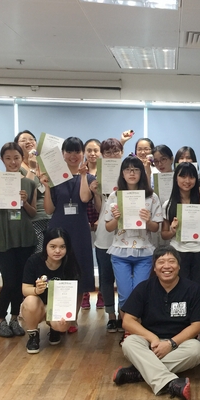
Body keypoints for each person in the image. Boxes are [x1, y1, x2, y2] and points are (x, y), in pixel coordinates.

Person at [113, 246, 200, 400]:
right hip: (150, 343)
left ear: (179, 266)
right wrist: (153, 338)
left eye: (172, 261)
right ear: (155, 268)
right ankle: (171, 382)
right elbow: (127, 321)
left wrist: (170, 343)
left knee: (197, 350)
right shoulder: (144, 288)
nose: (167, 266)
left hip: (180, 343)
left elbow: (197, 326)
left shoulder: (193, 289)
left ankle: (139, 372)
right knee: (129, 343)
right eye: (161, 262)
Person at [0, 142, 37, 338]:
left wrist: (25, 202)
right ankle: (0, 320)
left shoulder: (29, 183)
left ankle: (14, 318)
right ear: (2, 159)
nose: (13, 162)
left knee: (20, 282)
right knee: (9, 281)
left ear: (22, 159)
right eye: (8, 158)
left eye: (16, 158)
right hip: (2, 236)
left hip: (24, 237)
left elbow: (33, 213)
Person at [41, 137, 99, 332]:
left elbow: (84, 198)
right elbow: (49, 209)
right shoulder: (55, 177)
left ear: (82, 154)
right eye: (69, 151)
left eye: (77, 152)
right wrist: (46, 186)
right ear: (62, 154)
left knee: (78, 273)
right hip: (58, 229)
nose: (73, 155)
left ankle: (72, 319)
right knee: (57, 272)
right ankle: (56, 317)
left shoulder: (89, 178)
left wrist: (82, 176)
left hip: (80, 231)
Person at [105, 156, 163, 323]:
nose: (132, 173)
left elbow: (155, 228)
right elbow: (109, 227)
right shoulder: (115, 196)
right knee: (124, 294)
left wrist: (148, 220)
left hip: (144, 252)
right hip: (120, 252)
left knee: (140, 293)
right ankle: (128, 328)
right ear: (122, 173)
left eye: (136, 169)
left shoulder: (151, 197)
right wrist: (117, 218)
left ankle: (137, 328)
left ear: (141, 173)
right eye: (128, 170)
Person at [21, 228, 82, 353]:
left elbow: (73, 293)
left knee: (62, 326)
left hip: (57, 307)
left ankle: (55, 330)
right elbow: (25, 290)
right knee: (30, 301)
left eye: (62, 247)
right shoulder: (34, 261)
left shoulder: (70, 263)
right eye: (53, 246)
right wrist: (36, 290)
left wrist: (68, 316)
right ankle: (33, 335)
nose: (58, 251)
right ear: (45, 246)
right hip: (38, 306)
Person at [160, 162, 200, 309]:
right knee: (179, 290)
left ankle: (196, 321)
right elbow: (164, 235)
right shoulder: (168, 204)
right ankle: (180, 321)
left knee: (199, 290)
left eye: (191, 177)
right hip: (178, 251)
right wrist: (172, 230)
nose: (187, 181)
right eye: (183, 176)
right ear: (176, 178)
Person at [94, 138, 123, 331]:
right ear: (102, 155)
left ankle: (123, 314)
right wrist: (96, 193)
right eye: (108, 152)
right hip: (104, 235)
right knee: (106, 277)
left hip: (125, 235)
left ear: (122, 153)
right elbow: (99, 209)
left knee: (123, 278)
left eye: (115, 151)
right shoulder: (99, 175)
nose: (112, 155)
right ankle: (111, 315)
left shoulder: (129, 174)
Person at [16, 130, 51, 253]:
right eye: (23, 140)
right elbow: (26, 190)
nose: (28, 142)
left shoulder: (45, 164)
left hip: (51, 215)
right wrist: (32, 168)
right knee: (39, 254)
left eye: (31, 139)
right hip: (33, 218)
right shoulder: (17, 167)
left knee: (52, 253)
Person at [82, 137, 102, 310]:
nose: (93, 153)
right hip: (83, 222)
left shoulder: (106, 171)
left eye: (96, 150)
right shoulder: (79, 171)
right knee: (83, 260)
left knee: (103, 261)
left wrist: (100, 219)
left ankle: (102, 293)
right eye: (89, 150)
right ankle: (84, 294)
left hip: (102, 221)